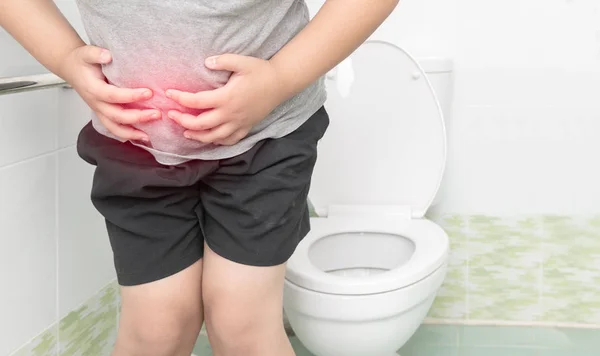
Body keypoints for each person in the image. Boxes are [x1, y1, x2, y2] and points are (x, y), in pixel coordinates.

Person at [0, 0, 399, 354]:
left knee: (241, 325)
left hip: (267, 136)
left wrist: (279, 80)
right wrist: (65, 56)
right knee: (156, 330)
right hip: (137, 146)